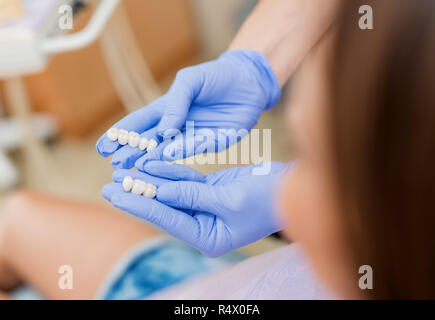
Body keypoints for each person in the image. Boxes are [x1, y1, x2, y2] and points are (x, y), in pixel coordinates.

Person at [1, 0, 435, 300]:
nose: (284, 180)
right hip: (218, 289)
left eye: (315, 162)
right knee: (12, 216)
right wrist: (252, 66)